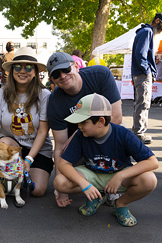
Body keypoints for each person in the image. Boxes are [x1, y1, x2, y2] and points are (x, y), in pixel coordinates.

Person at [53, 93, 158, 227]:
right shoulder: (81, 135)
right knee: (60, 182)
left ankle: (120, 204)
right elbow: (63, 164)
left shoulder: (123, 134)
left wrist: (121, 175)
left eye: (83, 122)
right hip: (92, 174)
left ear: (101, 122)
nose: (79, 126)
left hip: (119, 174)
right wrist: (84, 184)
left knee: (149, 180)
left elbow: (152, 162)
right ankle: (97, 196)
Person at [46, 52, 122, 207]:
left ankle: (114, 183)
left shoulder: (100, 75)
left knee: (116, 133)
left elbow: (115, 118)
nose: (63, 76)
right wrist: (61, 189)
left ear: (76, 66)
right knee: (61, 182)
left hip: (104, 133)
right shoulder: (55, 101)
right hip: (80, 145)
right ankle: (97, 187)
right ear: (52, 80)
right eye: (56, 74)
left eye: (66, 69)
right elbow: (61, 146)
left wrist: (77, 133)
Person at [0, 47, 53, 197]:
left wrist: (28, 160)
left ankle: (15, 176)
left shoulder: (45, 95)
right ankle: (2, 173)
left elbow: (43, 131)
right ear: (12, 70)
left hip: (39, 150)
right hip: (13, 146)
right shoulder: (0, 94)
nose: (23, 71)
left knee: (37, 190)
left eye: (28, 67)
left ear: (35, 71)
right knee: (5, 141)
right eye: (18, 66)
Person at [131, 12, 162, 144]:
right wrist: (148, 71)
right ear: (157, 21)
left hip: (139, 74)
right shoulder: (147, 32)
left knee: (140, 103)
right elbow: (140, 55)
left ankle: (137, 132)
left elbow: (140, 55)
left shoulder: (143, 31)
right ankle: (138, 133)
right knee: (143, 104)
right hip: (142, 74)